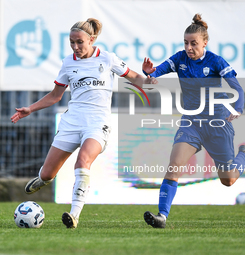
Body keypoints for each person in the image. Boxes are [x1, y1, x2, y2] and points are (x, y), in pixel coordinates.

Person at [11, 18, 157, 229]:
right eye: (72, 42)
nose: (76, 47)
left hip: (98, 123)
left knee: (83, 161)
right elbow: (55, 96)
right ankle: (43, 179)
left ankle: (74, 215)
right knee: (48, 173)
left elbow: (136, 78)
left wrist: (150, 78)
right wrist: (30, 109)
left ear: (92, 39)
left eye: (80, 42)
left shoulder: (108, 59)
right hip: (72, 122)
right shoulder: (68, 63)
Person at [142, 14, 245, 228]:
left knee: (229, 180)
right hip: (192, 122)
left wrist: (238, 109)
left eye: (193, 43)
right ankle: (162, 216)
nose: (189, 47)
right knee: (174, 165)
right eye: (186, 43)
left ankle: (244, 153)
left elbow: (237, 88)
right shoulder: (180, 59)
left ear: (205, 42)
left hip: (217, 123)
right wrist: (149, 73)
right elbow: (156, 72)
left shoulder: (215, 61)